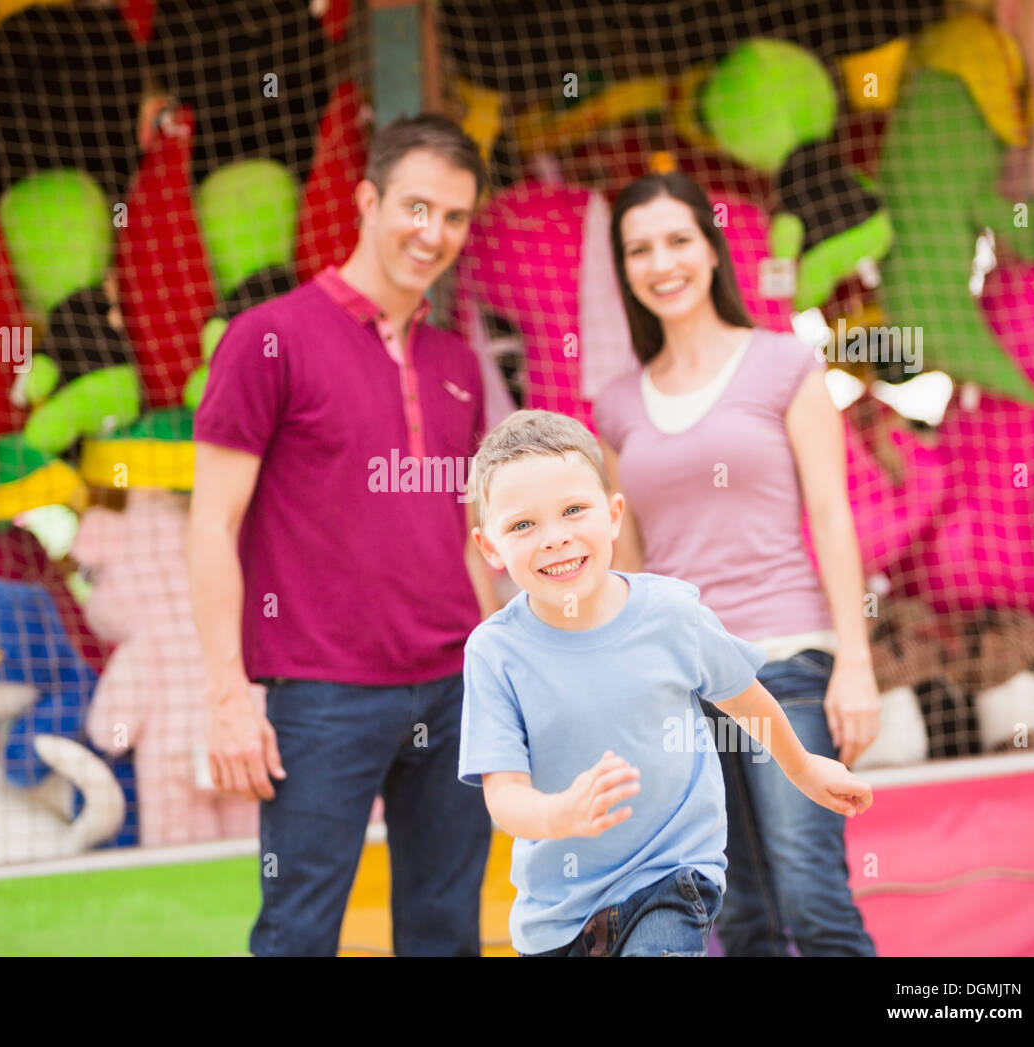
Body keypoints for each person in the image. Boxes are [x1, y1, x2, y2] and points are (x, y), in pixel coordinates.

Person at [187, 113, 501, 957]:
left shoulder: (457, 362)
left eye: (455, 216)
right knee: (297, 937)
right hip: (321, 694)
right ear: (368, 200)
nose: (433, 233)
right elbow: (211, 524)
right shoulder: (267, 338)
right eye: (416, 207)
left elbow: (466, 537)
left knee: (447, 934)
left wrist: (500, 673)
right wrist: (228, 697)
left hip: (456, 690)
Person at [593, 170, 883, 956]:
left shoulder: (785, 364)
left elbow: (832, 516)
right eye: (639, 249)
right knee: (739, 915)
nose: (662, 263)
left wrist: (855, 663)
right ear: (622, 268)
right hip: (683, 685)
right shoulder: (616, 404)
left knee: (813, 902)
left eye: (678, 240)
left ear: (712, 249)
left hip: (787, 662)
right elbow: (630, 562)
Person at [458, 409, 873, 957]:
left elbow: (745, 697)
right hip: (557, 913)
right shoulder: (494, 653)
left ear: (614, 515)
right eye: (522, 525)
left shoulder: (671, 614)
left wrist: (803, 767)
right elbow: (504, 795)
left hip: (669, 876)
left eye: (574, 510)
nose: (555, 538)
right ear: (489, 547)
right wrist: (560, 815)